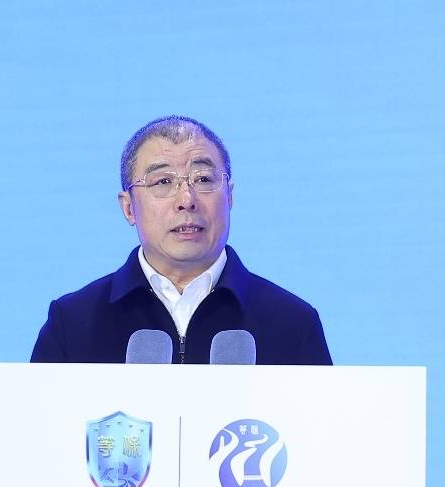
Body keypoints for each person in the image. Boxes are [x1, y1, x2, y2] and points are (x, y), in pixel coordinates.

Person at [30, 115, 332, 364]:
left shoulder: (293, 324)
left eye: (203, 180)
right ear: (128, 207)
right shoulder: (72, 323)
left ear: (229, 196)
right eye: (163, 181)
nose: (186, 200)